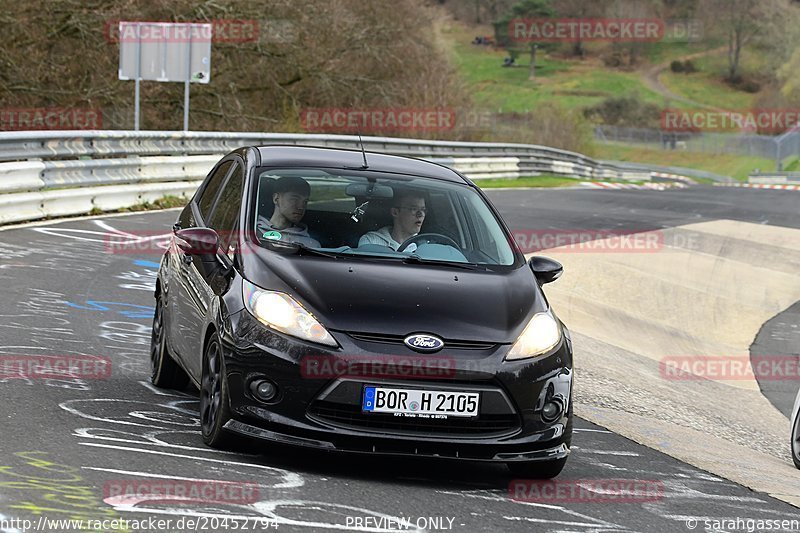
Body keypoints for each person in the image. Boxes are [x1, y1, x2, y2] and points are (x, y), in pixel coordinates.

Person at [257, 176, 321, 248]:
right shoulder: (252, 233)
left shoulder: (311, 245)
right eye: (294, 199)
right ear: (276, 199)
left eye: (305, 202)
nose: (301, 207)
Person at [359, 190, 426, 251]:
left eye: (423, 210)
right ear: (395, 212)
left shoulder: (425, 245)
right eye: (413, 209)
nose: (420, 214)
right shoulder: (371, 241)